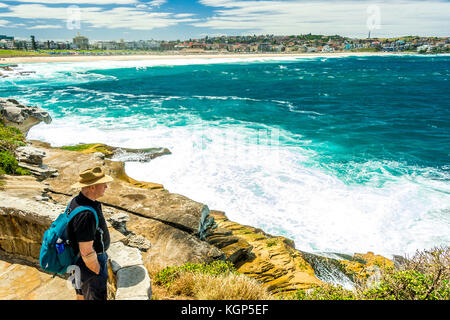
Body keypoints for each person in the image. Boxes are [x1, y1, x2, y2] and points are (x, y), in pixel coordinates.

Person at [67, 166, 113, 300]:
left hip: (77, 262)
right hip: (89, 266)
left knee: (81, 294)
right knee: (95, 296)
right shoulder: (86, 214)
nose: (106, 187)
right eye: (103, 184)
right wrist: (98, 272)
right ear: (92, 187)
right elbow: (86, 251)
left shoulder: (76, 201)